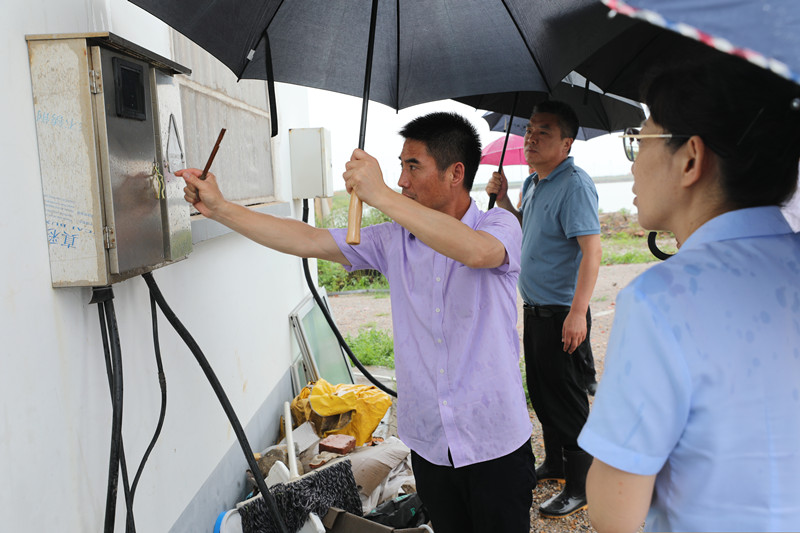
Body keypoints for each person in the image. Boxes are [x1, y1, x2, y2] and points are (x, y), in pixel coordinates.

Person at [177, 112, 535, 533]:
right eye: (400, 166)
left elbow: (476, 252)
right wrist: (221, 209)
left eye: (413, 166)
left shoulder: (498, 225)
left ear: (455, 173)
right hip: (430, 444)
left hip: (494, 441)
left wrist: (379, 194)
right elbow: (307, 238)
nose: (401, 180)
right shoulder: (394, 240)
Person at [578, 57, 800, 532]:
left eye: (639, 140)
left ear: (691, 159)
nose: (634, 162)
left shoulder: (660, 301)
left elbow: (615, 513)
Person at [486, 100, 602, 518]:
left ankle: (582, 486)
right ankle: (556, 463)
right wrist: (503, 202)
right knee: (543, 394)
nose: (531, 138)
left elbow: (592, 252)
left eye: (544, 132)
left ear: (567, 143)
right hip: (536, 310)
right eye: (530, 130)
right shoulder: (535, 181)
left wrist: (578, 313)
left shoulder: (575, 185)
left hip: (562, 313)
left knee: (567, 400)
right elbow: (525, 230)